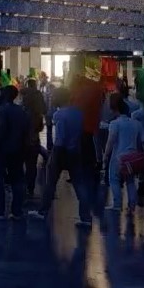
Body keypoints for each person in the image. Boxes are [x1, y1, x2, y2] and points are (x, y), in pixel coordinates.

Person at [40, 95, 96, 226]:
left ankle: (43, 210)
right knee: (79, 184)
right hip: (75, 150)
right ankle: (85, 216)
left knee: (51, 182)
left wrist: (55, 153)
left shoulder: (59, 115)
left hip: (61, 151)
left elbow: (60, 136)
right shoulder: (78, 113)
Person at [0, 87, 30, 220]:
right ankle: (17, 211)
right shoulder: (21, 111)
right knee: (17, 180)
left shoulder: (1, 111)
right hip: (18, 150)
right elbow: (27, 132)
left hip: (2, 151)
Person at [101, 94, 144, 211]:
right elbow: (139, 142)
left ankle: (117, 204)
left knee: (114, 179)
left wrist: (105, 156)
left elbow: (110, 142)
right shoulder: (136, 124)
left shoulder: (115, 124)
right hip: (133, 156)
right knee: (130, 181)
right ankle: (132, 204)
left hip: (118, 157)